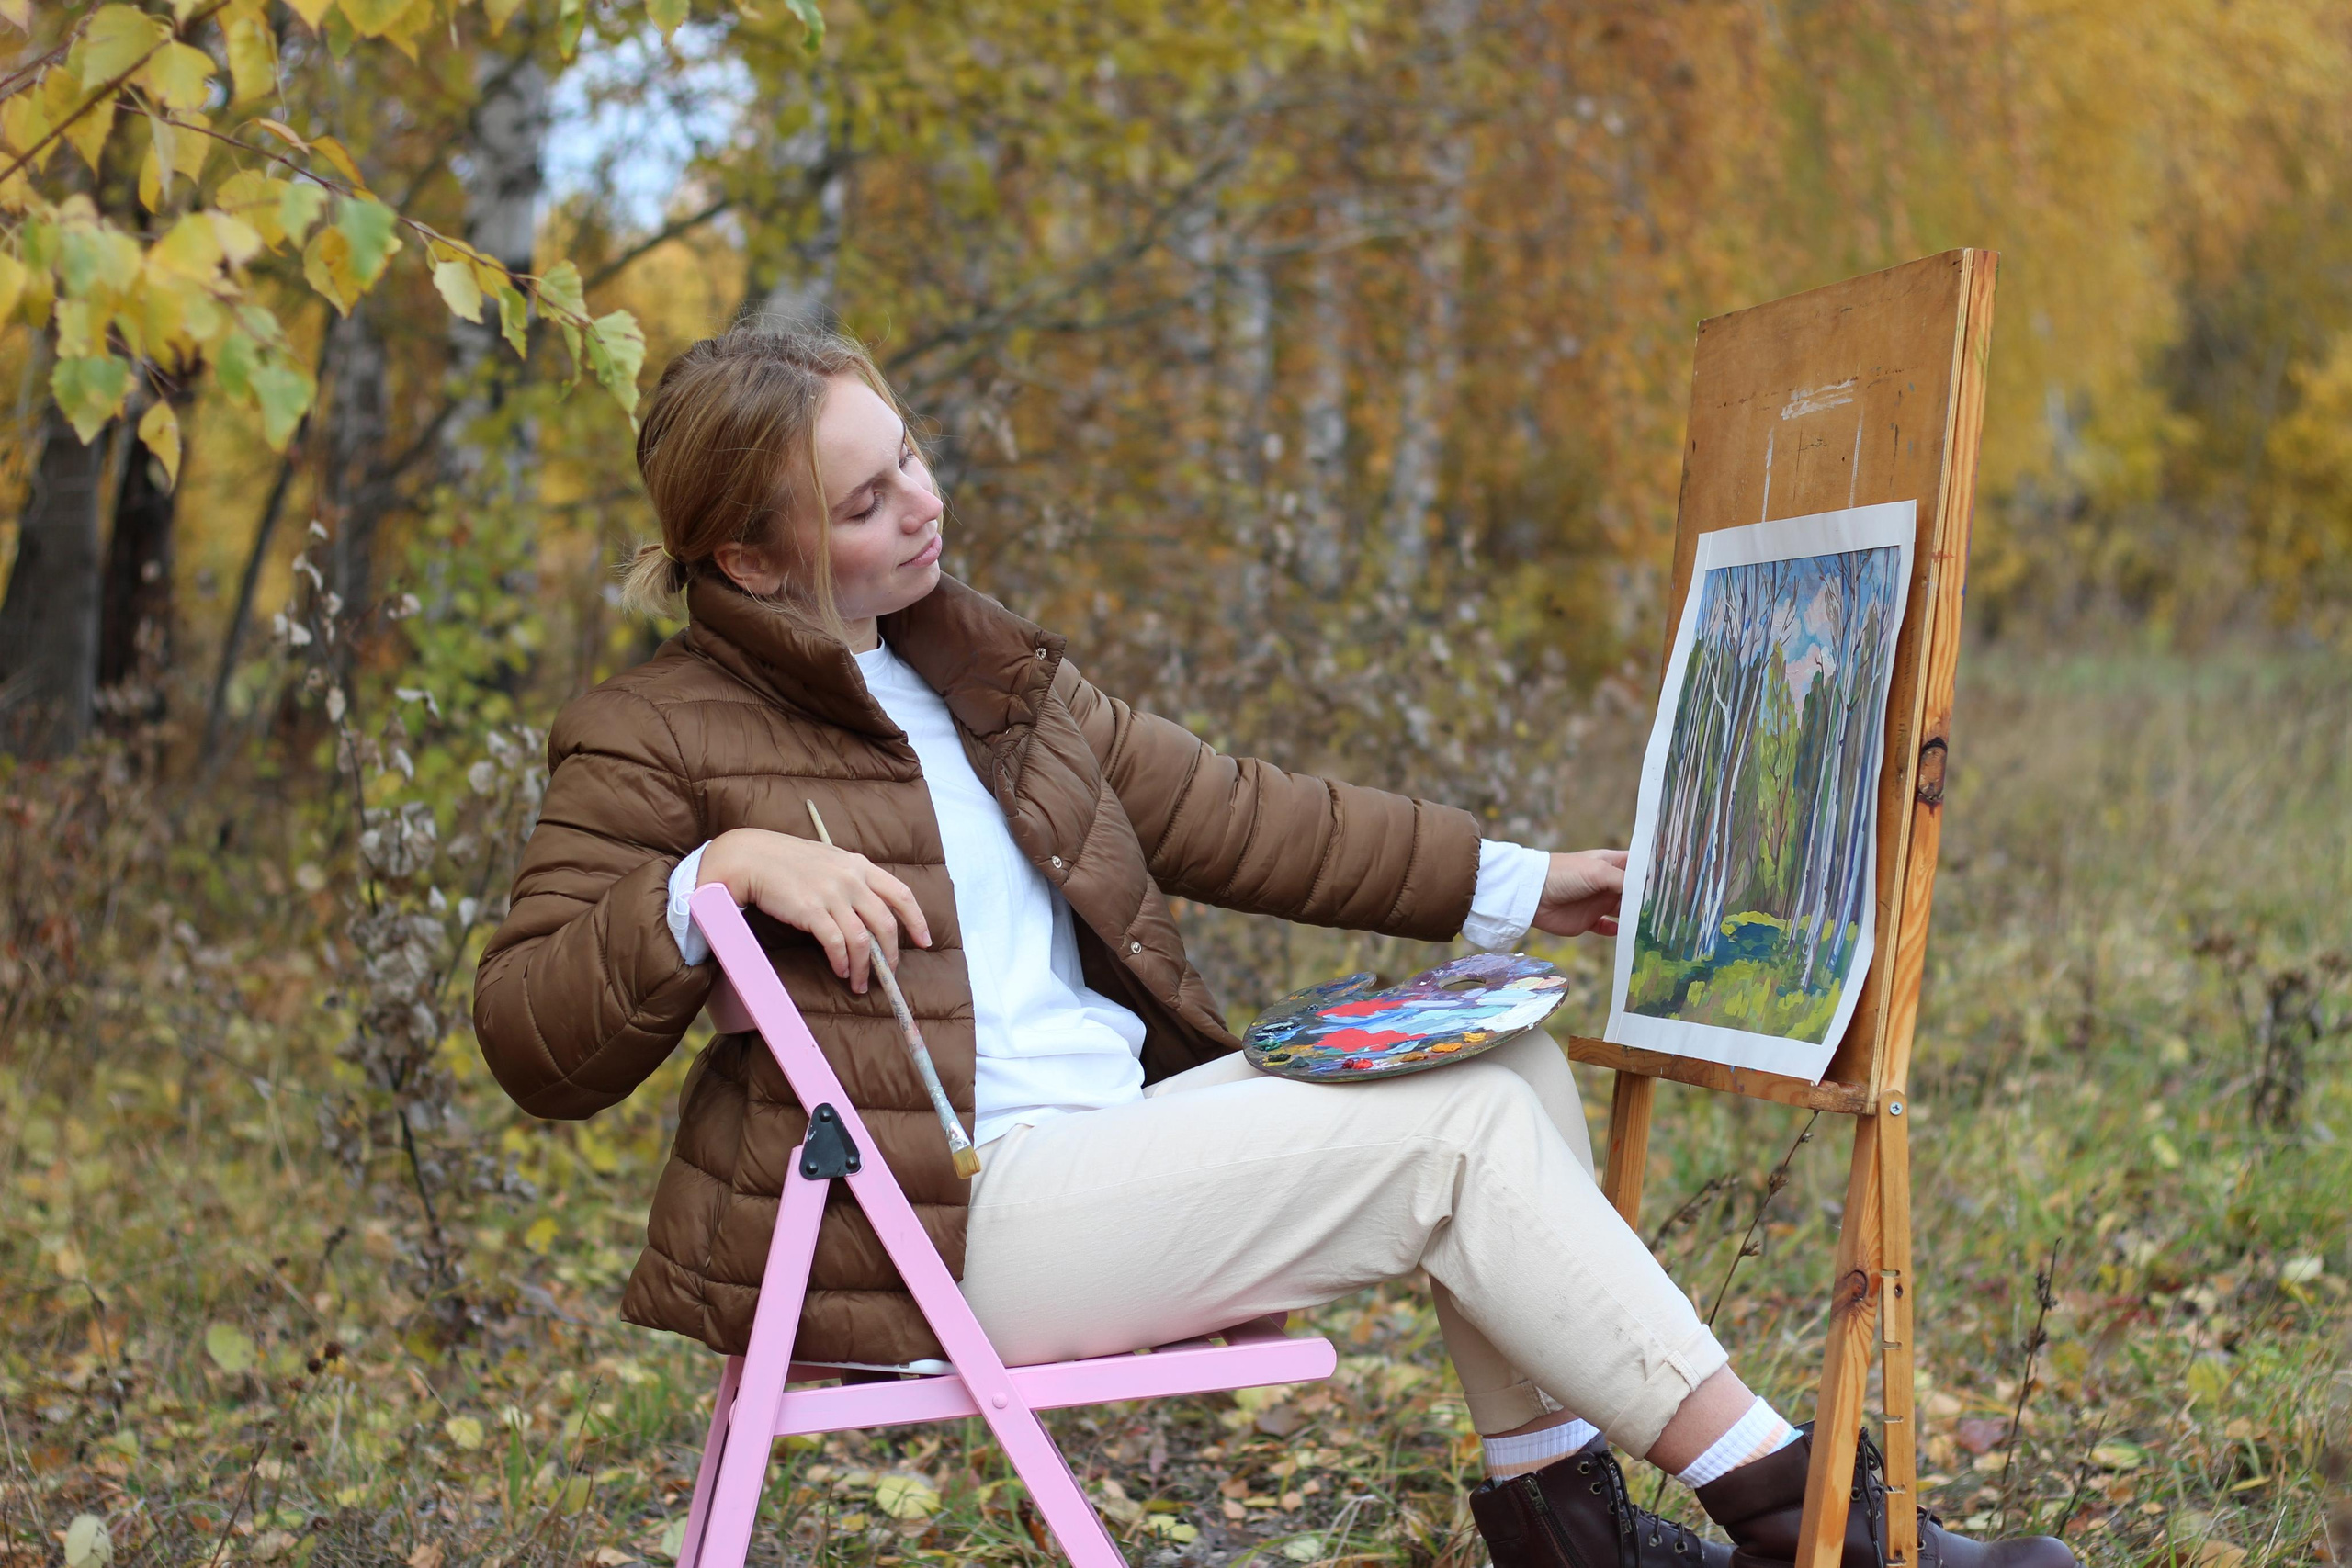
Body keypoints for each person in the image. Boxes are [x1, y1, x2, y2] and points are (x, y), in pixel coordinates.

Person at [474, 325, 2073, 1568]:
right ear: (749, 559)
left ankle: (1565, 1528)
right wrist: (709, 873)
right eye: (865, 499)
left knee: (1499, 1051)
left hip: (1100, 1152)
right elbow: (532, 1035)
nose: (924, 503)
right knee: (1452, 1141)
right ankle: (1815, 1524)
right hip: (943, 1231)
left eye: (913, 459)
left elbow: (1245, 814)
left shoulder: (981, 675)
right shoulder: (651, 735)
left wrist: (1528, 886)